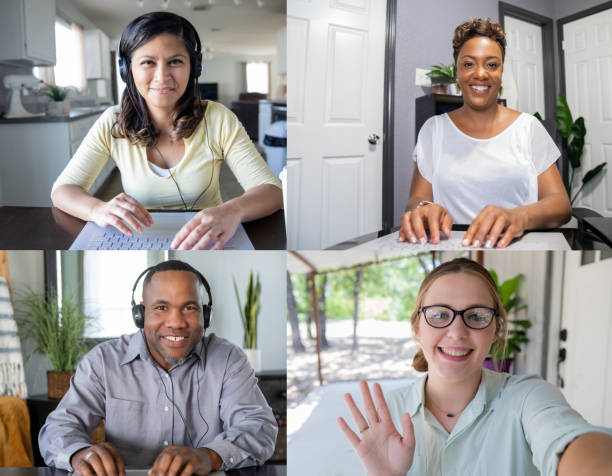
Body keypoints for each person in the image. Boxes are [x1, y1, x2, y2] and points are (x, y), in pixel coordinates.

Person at [338, 258, 612, 475]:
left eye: (477, 316)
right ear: (417, 328)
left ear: (495, 330)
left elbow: (566, 439)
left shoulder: (528, 397)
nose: (457, 332)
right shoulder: (388, 415)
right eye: (439, 315)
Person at [51, 12, 283, 250]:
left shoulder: (218, 118)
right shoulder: (112, 121)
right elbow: (63, 191)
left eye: (175, 61)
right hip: (139, 241)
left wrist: (233, 210)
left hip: (206, 242)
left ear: (194, 67)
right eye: (148, 62)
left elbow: (272, 192)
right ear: (127, 69)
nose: (162, 77)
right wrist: (96, 209)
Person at [39, 260, 277, 475]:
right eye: (161, 308)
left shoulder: (228, 359)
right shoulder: (102, 361)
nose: (176, 322)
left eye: (189, 307)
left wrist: (209, 456)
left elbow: (259, 428)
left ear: (205, 314)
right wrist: (78, 454)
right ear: (141, 314)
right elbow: (58, 428)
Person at [399, 18, 571, 249]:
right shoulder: (433, 130)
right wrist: (423, 209)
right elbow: (415, 200)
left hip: (515, 249)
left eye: (491, 65)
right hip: (451, 249)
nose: (480, 74)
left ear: (501, 73)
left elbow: (560, 204)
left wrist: (520, 217)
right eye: (469, 64)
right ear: (457, 71)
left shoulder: (529, 128)